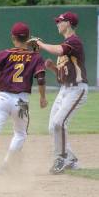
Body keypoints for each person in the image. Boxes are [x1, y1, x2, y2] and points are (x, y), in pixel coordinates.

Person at [0, 22, 48, 178]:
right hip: (21, 102)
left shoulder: (4, 54)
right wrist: (42, 97)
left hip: (2, 99)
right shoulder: (36, 57)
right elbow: (41, 79)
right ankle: (6, 165)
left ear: (12, 37)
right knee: (20, 134)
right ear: (28, 38)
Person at [35, 11, 88, 174]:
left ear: (69, 23)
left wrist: (40, 44)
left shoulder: (74, 41)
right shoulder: (67, 43)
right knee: (53, 127)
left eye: (60, 21)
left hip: (77, 89)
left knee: (59, 123)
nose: (57, 23)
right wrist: (53, 68)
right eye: (57, 21)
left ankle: (62, 158)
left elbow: (59, 50)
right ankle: (71, 159)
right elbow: (63, 74)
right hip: (65, 89)